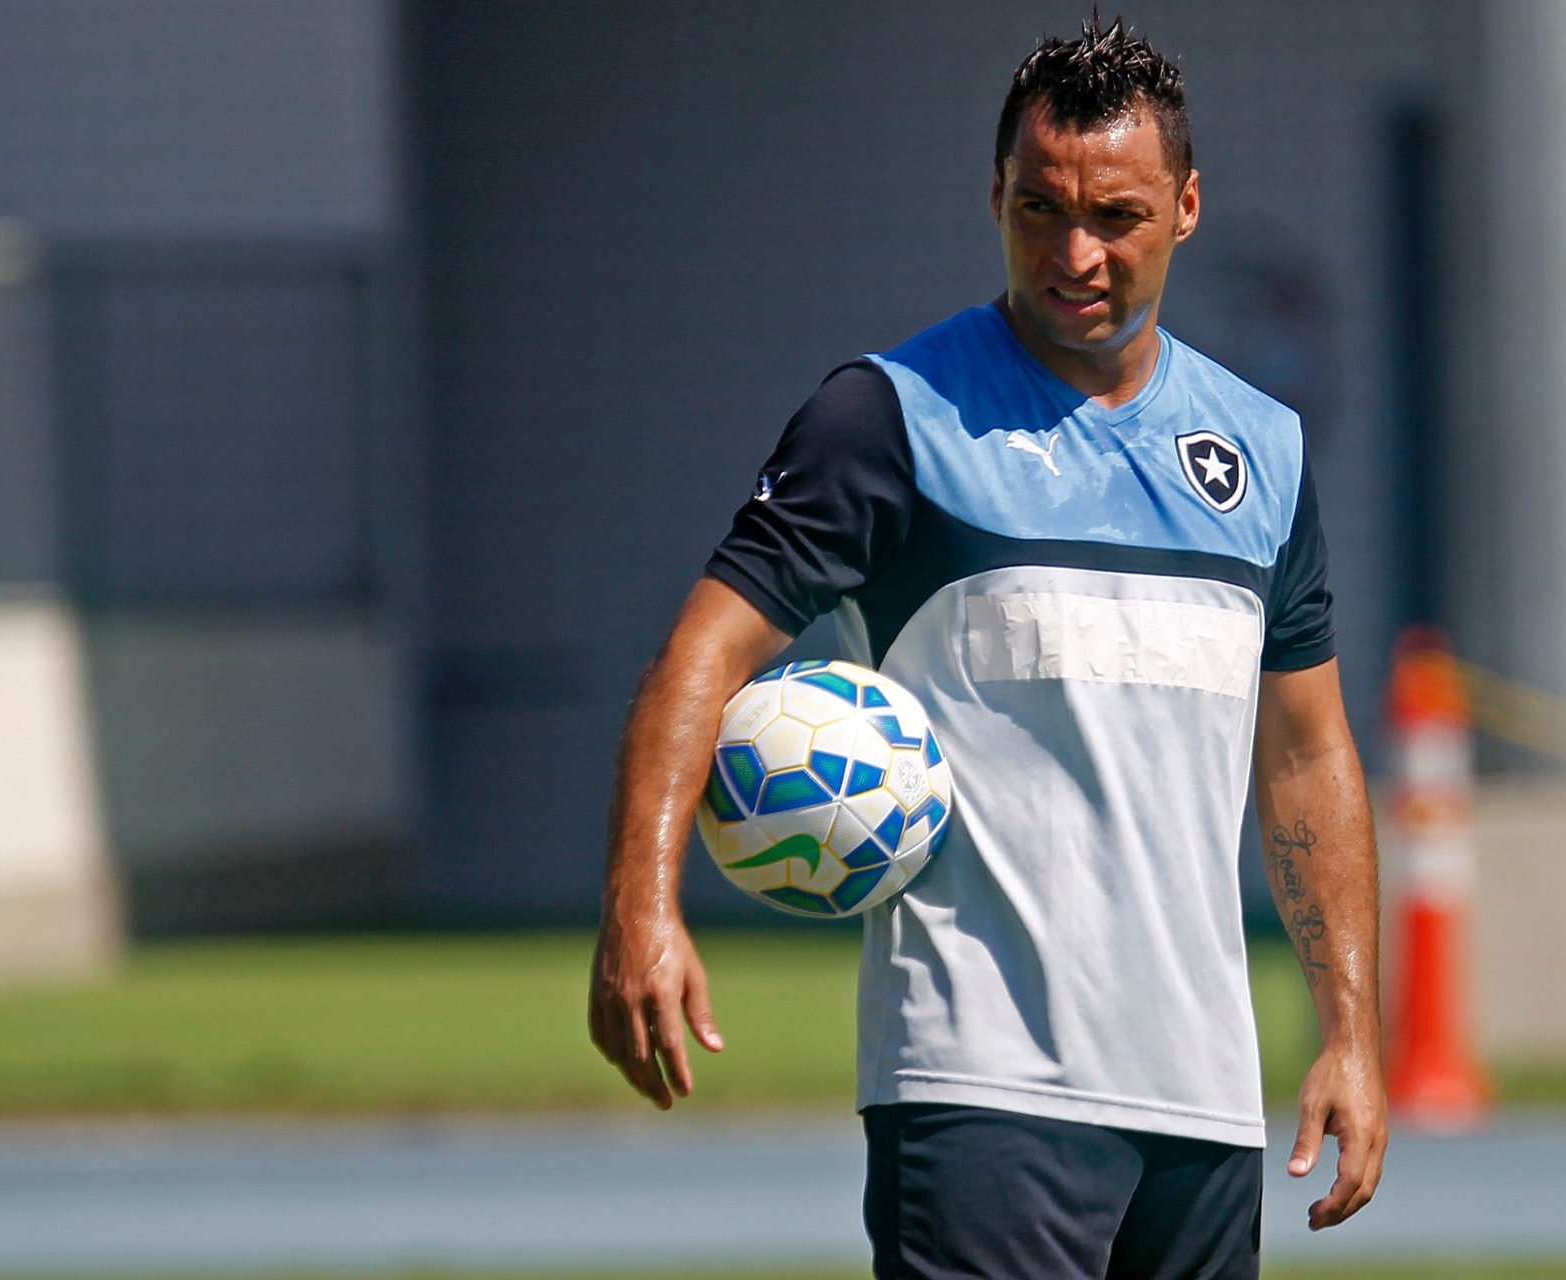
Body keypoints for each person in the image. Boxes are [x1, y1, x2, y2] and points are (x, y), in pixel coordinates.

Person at [587, 13, 1387, 1279]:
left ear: (1185, 206)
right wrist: (642, 902)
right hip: (979, 1082)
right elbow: (702, 652)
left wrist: (1349, 1030)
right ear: (996, 197)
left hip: (1203, 1103)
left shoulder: (1264, 454)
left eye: (1113, 216)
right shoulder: (889, 418)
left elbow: (1304, 755)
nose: (1073, 252)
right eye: (1037, 208)